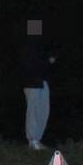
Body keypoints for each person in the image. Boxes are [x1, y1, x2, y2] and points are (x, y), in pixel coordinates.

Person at [19, 18, 54, 150]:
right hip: (32, 82)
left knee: (43, 110)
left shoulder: (38, 45)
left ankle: (37, 139)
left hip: (41, 81)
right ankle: (32, 140)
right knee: (33, 111)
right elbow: (31, 64)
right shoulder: (28, 45)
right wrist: (47, 62)